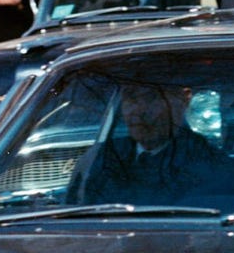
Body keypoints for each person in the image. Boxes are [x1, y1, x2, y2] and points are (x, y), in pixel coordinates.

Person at [72, 82, 225, 206]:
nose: (138, 110)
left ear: (182, 100)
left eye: (152, 97)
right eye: (130, 97)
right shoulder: (99, 158)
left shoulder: (213, 164)